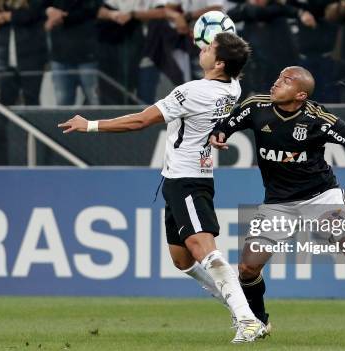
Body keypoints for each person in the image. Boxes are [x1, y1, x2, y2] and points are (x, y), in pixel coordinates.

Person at [57, 33, 268, 344]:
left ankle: (248, 319)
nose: (202, 49)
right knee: (182, 261)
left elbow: (140, 121)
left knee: (205, 251)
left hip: (189, 180)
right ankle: (244, 313)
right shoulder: (232, 87)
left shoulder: (192, 92)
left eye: (209, 48)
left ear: (221, 63)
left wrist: (90, 125)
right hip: (178, 180)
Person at [210, 66, 345, 340]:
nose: (276, 83)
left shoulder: (317, 119)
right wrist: (219, 135)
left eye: (286, 80)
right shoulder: (256, 107)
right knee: (248, 267)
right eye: (278, 77)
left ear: (301, 94)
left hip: (321, 197)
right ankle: (259, 322)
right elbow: (226, 125)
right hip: (279, 202)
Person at [44, 0, 102, 106]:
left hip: (87, 54)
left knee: (94, 101)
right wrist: (48, 10)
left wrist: (64, 16)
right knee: (63, 104)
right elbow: (40, 6)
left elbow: (93, 8)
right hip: (60, 55)